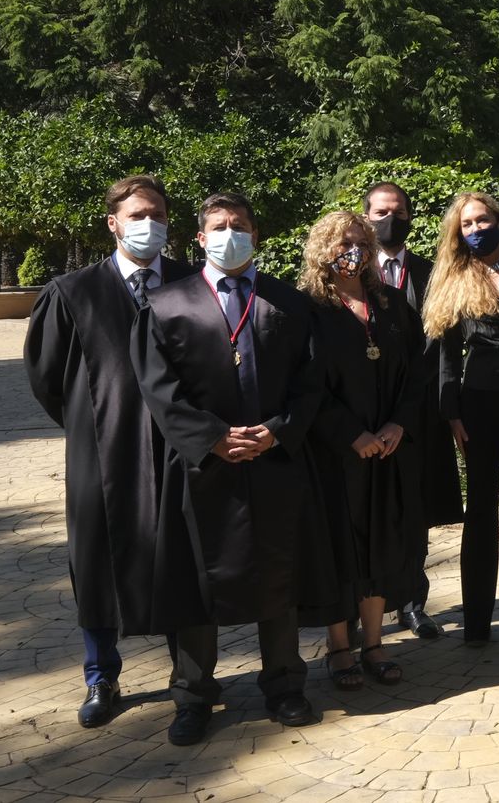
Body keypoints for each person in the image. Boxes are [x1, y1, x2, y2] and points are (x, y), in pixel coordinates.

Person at [132, 192, 324, 745]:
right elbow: (158, 388)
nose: (229, 234)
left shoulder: (288, 302)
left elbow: (310, 383)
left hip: (273, 462)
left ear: (256, 234)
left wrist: (278, 431)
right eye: (218, 226)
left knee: (278, 574)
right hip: (201, 469)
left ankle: (285, 684)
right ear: (200, 239)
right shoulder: (166, 304)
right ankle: (193, 695)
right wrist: (213, 438)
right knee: (195, 584)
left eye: (239, 225)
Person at [25, 174, 194, 729]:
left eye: (159, 214)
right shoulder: (72, 293)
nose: (150, 224)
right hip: (101, 452)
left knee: (181, 560)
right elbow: (48, 378)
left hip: (179, 453)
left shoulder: (190, 284)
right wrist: (93, 423)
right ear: (113, 223)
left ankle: (190, 677)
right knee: (95, 563)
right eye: (138, 214)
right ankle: (101, 677)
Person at [301, 211, 429, 689]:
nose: (351, 251)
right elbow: (305, 384)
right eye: (340, 243)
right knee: (341, 546)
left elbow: (419, 372)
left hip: (389, 449)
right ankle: (339, 648)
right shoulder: (308, 310)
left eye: (359, 242)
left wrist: (398, 423)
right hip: (337, 455)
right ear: (322, 250)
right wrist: (349, 433)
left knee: (381, 542)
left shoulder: (394, 305)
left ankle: (374, 643)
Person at [424, 192, 499, 646]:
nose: (477, 229)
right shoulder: (456, 280)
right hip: (476, 403)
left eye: (483, 220)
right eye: (467, 224)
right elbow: (448, 356)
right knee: (480, 510)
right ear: (459, 233)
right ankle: (476, 624)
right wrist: (450, 411)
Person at [364, 181, 458, 639]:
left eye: (398, 212)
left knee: (416, 509)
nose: (390, 219)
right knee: (371, 508)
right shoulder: (353, 271)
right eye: (381, 211)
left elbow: (444, 344)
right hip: (367, 414)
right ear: (366, 218)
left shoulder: (432, 271)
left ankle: (412, 602)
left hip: (419, 411)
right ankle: (369, 604)